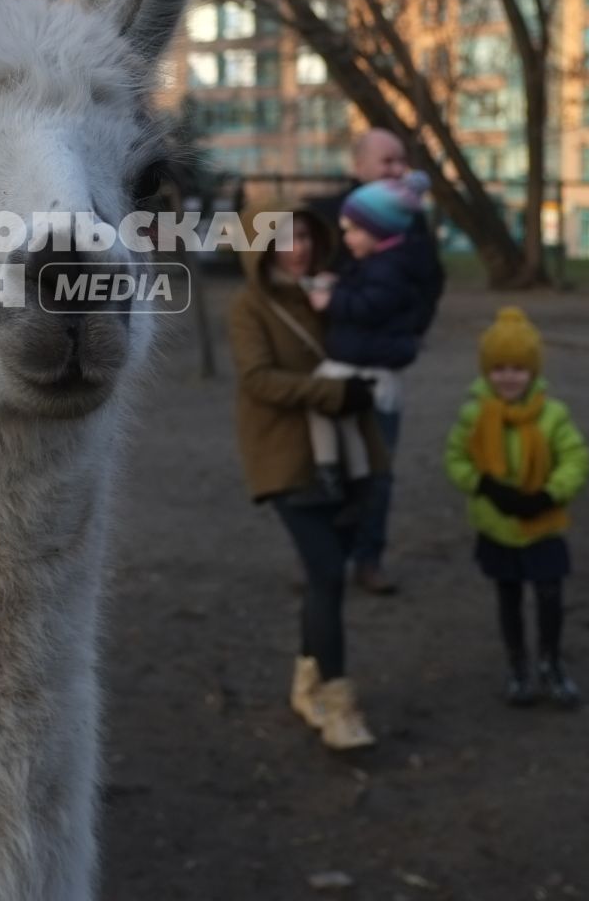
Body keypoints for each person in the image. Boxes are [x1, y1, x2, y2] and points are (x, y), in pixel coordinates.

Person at [228, 206, 388, 751]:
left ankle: (307, 681)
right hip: (288, 459)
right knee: (327, 574)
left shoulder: (332, 295)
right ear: (263, 248)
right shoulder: (251, 308)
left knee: (328, 575)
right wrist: (335, 393)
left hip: (349, 456)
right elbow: (259, 379)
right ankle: (339, 706)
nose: (299, 247)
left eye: (305, 236)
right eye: (285, 237)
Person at [307, 129, 445, 595]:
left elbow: (427, 284)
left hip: (379, 365)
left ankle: (369, 557)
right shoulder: (330, 217)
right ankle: (322, 558)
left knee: (377, 469)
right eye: (386, 161)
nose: (396, 169)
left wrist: (407, 334)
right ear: (358, 165)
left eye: (400, 161)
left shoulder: (407, 222)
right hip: (333, 358)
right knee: (324, 469)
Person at [443, 307, 589, 708]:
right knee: (507, 597)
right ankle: (517, 665)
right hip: (497, 524)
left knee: (549, 595)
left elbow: (576, 458)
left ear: (533, 371)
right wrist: (484, 486)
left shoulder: (553, 415)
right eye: (499, 368)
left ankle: (551, 662)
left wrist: (550, 494)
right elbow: (457, 458)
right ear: (486, 371)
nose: (508, 377)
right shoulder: (474, 415)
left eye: (518, 368)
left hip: (542, 523)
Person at [304, 172, 435, 497]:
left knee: (319, 401)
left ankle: (329, 468)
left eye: (354, 231)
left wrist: (332, 300)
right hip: (367, 358)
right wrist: (337, 283)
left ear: (379, 231)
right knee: (346, 420)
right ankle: (354, 477)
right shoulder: (385, 262)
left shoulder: (388, 268)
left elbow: (371, 305)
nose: (346, 238)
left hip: (362, 362)